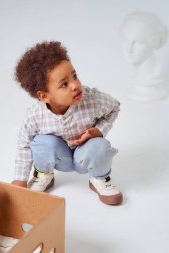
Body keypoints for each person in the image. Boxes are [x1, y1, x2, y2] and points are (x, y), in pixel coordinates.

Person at [11, 41, 122, 205]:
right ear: (44, 96)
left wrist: (99, 130)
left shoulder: (92, 100)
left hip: (85, 154)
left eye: (75, 76)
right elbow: (24, 144)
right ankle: (43, 175)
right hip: (59, 158)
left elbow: (114, 107)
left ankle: (99, 178)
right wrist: (20, 179)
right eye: (64, 84)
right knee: (42, 142)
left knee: (99, 146)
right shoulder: (36, 115)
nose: (75, 85)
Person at [121, 11, 168, 100]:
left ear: (153, 43)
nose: (129, 49)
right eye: (126, 40)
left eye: (137, 42)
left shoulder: (152, 72)